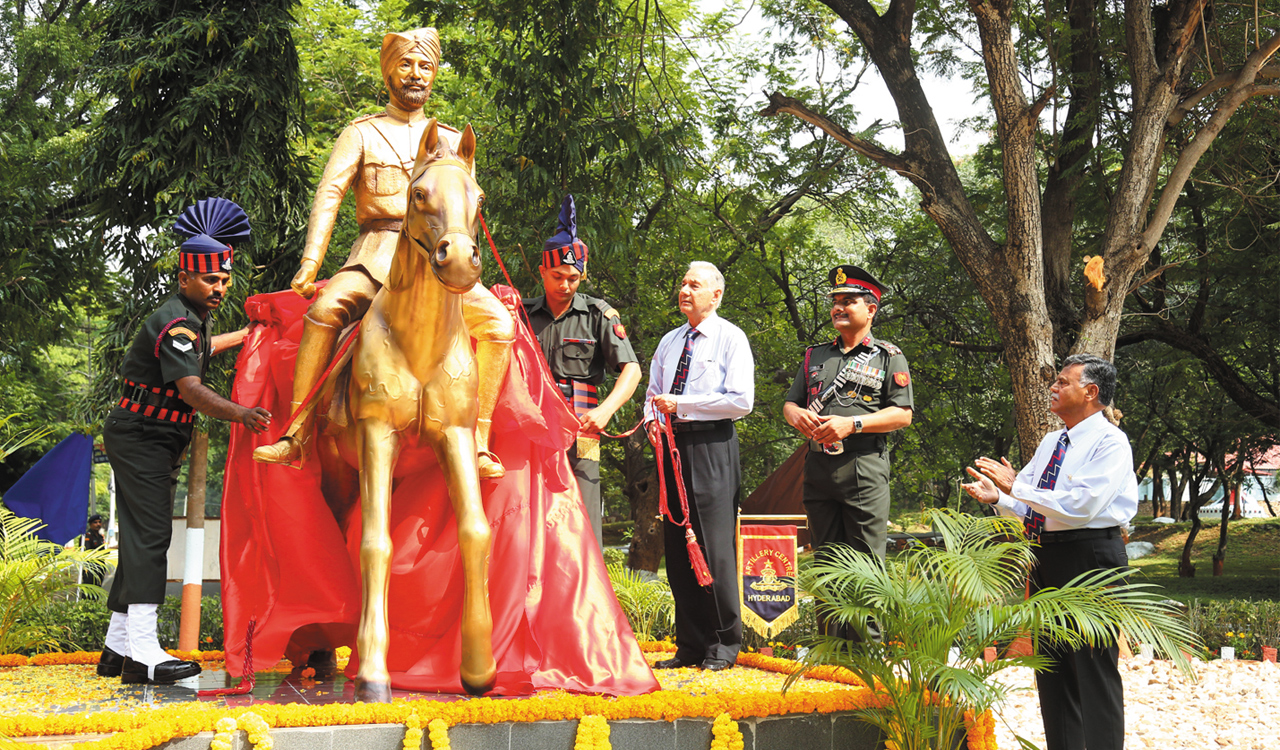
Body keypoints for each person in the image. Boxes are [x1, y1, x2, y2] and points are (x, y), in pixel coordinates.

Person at [252, 27, 514, 477]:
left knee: (499, 324)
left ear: (434, 75)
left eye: (425, 66)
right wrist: (312, 261)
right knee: (325, 310)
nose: (416, 74)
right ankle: (297, 433)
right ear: (389, 72)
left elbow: (466, 205)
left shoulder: (452, 140)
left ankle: (479, 440)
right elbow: (330, 193)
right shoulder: (362, 133)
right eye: (406, 64)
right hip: (376, 252)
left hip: (435, 257)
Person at [98, 197, 271, 685]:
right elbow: (191, 389)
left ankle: (117, 648)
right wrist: (241, 414)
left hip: (152, 437)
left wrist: (246, 335)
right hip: (143, 438)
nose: (220, 288)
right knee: (152, 537)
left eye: (224, 280)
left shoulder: (189, 319)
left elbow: (201, 349)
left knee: (141, 535)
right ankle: (145, 655)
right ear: (184, 278)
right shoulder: (176, 322)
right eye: (211, 280)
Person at [962, 354, 1137, 750]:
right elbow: (1031, 504)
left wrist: (1015, 487)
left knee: (1093, 670)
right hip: (1047, 556)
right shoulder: (1052, 442)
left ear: (1091, 392)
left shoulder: (1110, 442)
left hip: (1092, 558)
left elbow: (1081, 507)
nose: (1053, 388)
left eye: (1062, 382)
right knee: (1053, 671)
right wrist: (998, 498)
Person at [781, 264, 913, 640]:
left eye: (848, 301)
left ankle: (866, 654)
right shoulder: (815, 356)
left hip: (863, 468)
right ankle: (830, 653)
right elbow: (790, 403)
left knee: (865, 564)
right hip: (818, 468)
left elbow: (902, 415)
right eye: (835, 301)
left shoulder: (888, 356)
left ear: (870, 309)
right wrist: (796, 416)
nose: (838, 307)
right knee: (826, 563)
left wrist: (851, 424)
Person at [644, 261, 753, 671]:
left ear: (716, 295)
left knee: (712, 545)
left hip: (711, 444)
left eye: (695, 285)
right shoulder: (670, 341)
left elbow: (741, 401)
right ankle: (689, 645)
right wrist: (652, 421)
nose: (685, 290)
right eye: (683, 283)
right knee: (677, 545)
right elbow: (653, 394)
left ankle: (723, 645)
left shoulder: (730, 338)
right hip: (670, 446)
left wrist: (682, 405)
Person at [522, 195, 641, 549]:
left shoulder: (598, 315)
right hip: (531, 430)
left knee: (584, 516)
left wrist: (606, 411)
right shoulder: (520, 314)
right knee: (527, 514)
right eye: (557, 276)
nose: (565, 285)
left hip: (583, 431)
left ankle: (586, 584)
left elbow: (632, 370)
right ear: (542, 272)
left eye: (573, 278)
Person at [81, 514, 106, 587]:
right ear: (90, 524)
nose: (98, 524)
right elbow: (87, 552)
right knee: (89, 588)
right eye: (95, 522)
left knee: (98, 587)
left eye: (99, 522)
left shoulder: (100, 537)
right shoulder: (87, 536)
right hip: (90, 567)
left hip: (100, 567)